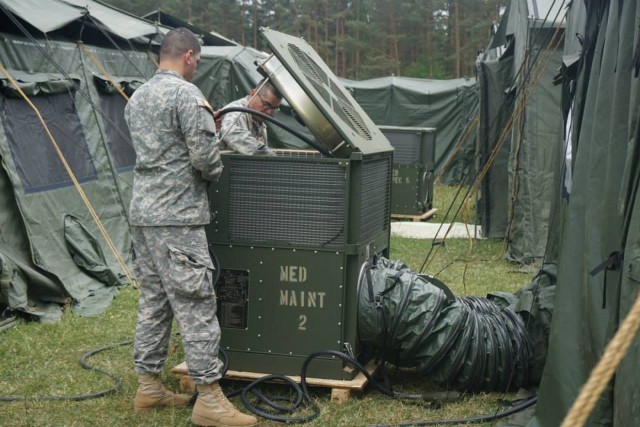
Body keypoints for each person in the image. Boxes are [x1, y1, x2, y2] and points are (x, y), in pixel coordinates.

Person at [124, 27, 257, 427]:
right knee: (196, 303)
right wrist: (214, 157)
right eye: (197, 59)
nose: (197, 65)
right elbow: (205, 160)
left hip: (143, 214)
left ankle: (148, 386)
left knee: (155, 300)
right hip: (178, 218)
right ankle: (209, 399)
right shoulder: (186, 94)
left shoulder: (138, 97)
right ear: (188, 57)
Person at [218, 79, 283, 155]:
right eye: (266, 104)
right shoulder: (235, 113)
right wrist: (272, 158)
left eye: (274, 108)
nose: (269, 112)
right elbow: (234, 136)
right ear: (253, 94)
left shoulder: (257, 119)